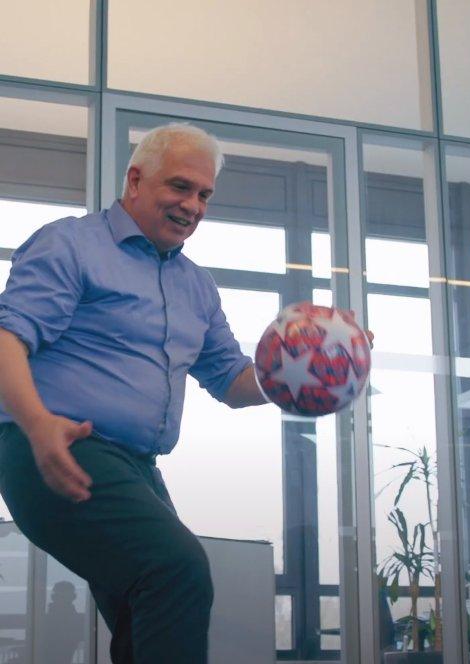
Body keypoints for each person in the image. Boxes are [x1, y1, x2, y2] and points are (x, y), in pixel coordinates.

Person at [0, 123, 271, 663]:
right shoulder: (71, 244)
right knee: (176, 569)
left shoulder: (197, 286)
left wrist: (306, 374)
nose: (192, 205)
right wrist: (36, 423)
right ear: (135, 180)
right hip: (58, 446)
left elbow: (234, 382)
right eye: (180, 187)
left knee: (144, 610)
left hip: (136, 467)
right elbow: (8, 336)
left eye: (204, 194)